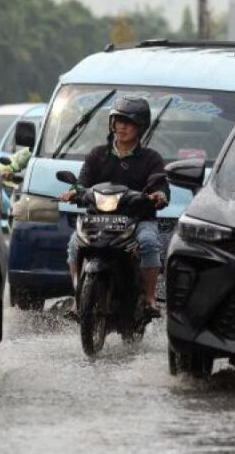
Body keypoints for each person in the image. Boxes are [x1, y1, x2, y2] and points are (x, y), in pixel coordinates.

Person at [60, 95, 169, 318]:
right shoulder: (96, 155)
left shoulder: (151, 158)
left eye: (128, 122)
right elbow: (82, 184)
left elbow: (161, 186)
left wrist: (159, 195)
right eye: (118, 121)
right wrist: (74, 192)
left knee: (149, 243)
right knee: (74, 245)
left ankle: (149, 298)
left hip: (138, 220)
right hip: (97, 219)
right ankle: (78, 297)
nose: (122, 126)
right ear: (112, 123)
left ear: (141, 127)